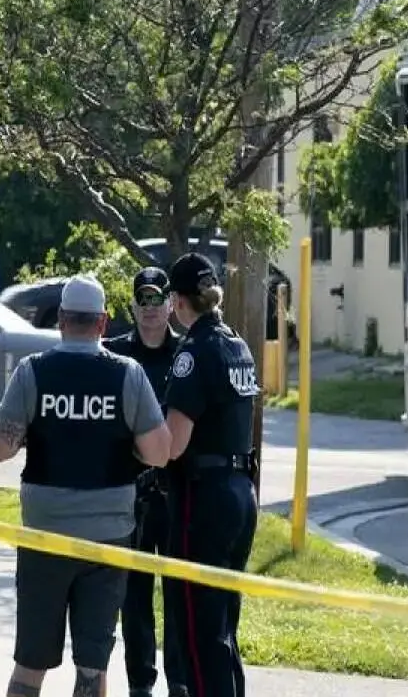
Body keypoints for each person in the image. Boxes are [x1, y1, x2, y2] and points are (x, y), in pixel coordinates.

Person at [0, 274, 173, 697]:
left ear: (62, 321)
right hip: (107, 540)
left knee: (29, 663)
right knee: (92, 668)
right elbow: (161, 452)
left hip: (44, 537)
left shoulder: (33, 372)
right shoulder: (127, 374)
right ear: (104, 323)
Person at [163, 252, 260, 697]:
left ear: (180, 302)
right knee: (224, 625)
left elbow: (174, 444)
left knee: (199, 634)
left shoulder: (193, 353)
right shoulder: (236, 344)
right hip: (242, 493)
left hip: (203, 502)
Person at [104, 267, 186, 697]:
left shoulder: (186, 355)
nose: (151, 309)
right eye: (144, 301)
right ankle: (140, 683)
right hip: (130, 496)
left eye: (159, 301)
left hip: (175, 496)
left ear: (172, 304)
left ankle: (179, 681)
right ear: (133, 306)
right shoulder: (114, 356)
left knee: (175, 594)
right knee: (133, 597)